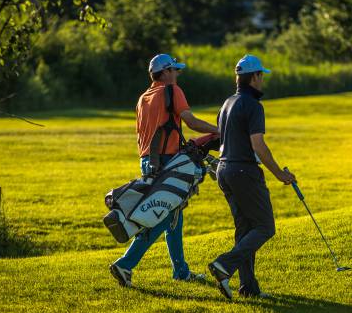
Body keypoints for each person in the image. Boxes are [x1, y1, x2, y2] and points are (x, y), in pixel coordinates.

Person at [110, 54, 218, 287]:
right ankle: (125, 264)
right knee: (160, 216)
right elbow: (191, 122)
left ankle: (180, 271)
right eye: (175, 71)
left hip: (148, 161)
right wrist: (219, 130)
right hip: (168, 162)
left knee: (173, 216)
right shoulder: (172, 91)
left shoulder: (143, 98)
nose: (177, 75)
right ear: (166, 72)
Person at [208, 54, 296, 299]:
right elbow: (258, 145)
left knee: (245, 229)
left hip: (223, 170)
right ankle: (224, 264)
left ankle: (248, 288)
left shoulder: (227, 102)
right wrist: (280, 174)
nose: (263, 81)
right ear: (254, 77)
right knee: (265, 227)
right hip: (243, 170)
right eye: (261, 76)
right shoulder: (253, 105)